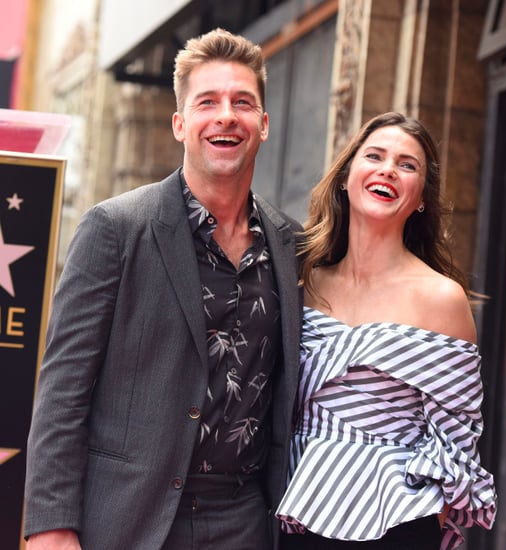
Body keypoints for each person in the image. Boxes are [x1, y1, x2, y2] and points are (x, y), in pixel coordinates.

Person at [24, 28, 302, 550]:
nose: (226, 115)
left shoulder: (291, 245)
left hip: (245, 521)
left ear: (263, 125)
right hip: (128, 519)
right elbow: (62, 391)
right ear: (180, 123)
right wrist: (51, 526)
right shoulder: (115, 228)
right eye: (207, 102)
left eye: (243, 102)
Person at [276, 112, 497, 549]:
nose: (388, 169)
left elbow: (456, 444)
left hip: (394, 522)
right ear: (346, 178)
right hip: (295, 509)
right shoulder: (301, 283)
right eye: (374, 155)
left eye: (407, 165)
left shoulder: (441, 299)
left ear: (421, 200)